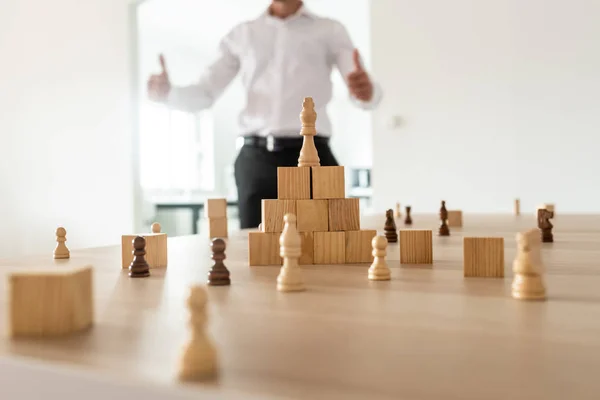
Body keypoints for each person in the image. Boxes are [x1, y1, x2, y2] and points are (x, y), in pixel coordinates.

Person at [147, 0, 383, 229]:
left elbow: (361, 86)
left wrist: (366, 91)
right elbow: (205, 92)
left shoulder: (331, 30)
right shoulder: (241, 34)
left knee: (328, 250)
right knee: (259, 255)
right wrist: (169, 94)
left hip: (315, 159)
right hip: (256, 162)